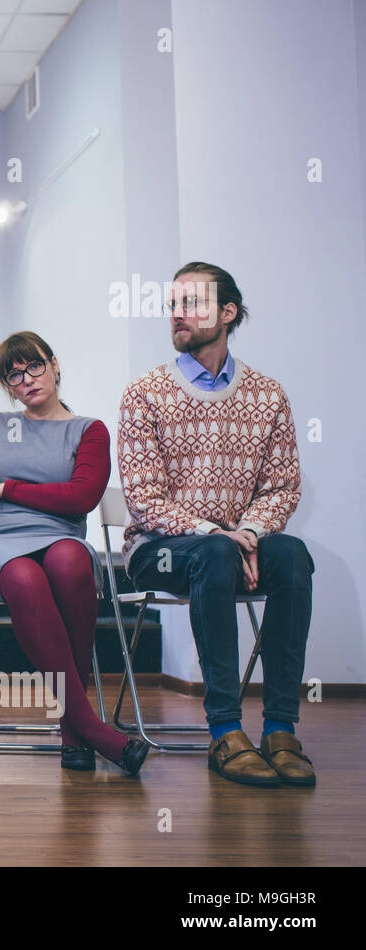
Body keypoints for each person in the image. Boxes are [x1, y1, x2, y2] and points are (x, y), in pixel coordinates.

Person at [119, 262, 314, 787]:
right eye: (174, 305)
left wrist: (248, 533)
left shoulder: (268, 395)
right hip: (161, 550)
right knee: (215, 554)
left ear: (228, 313)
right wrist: (218, 536)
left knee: (293, 555)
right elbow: (143, 499)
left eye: (193, 303)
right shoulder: (145, 393)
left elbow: (282, 486)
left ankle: (280, 728)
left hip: (237, 546)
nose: (178, 314)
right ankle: (225, 731)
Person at [0, 331, 150, 775]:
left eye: (34, 367)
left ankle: (74, 731)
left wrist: (7, 487)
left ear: (54, 365)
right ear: (8, 387)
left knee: (70, 563)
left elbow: (79, 498)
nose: (26, 380)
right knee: (23, 577)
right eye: (14, 375)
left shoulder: (88, 430)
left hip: (59, 534)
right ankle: (87, 726)